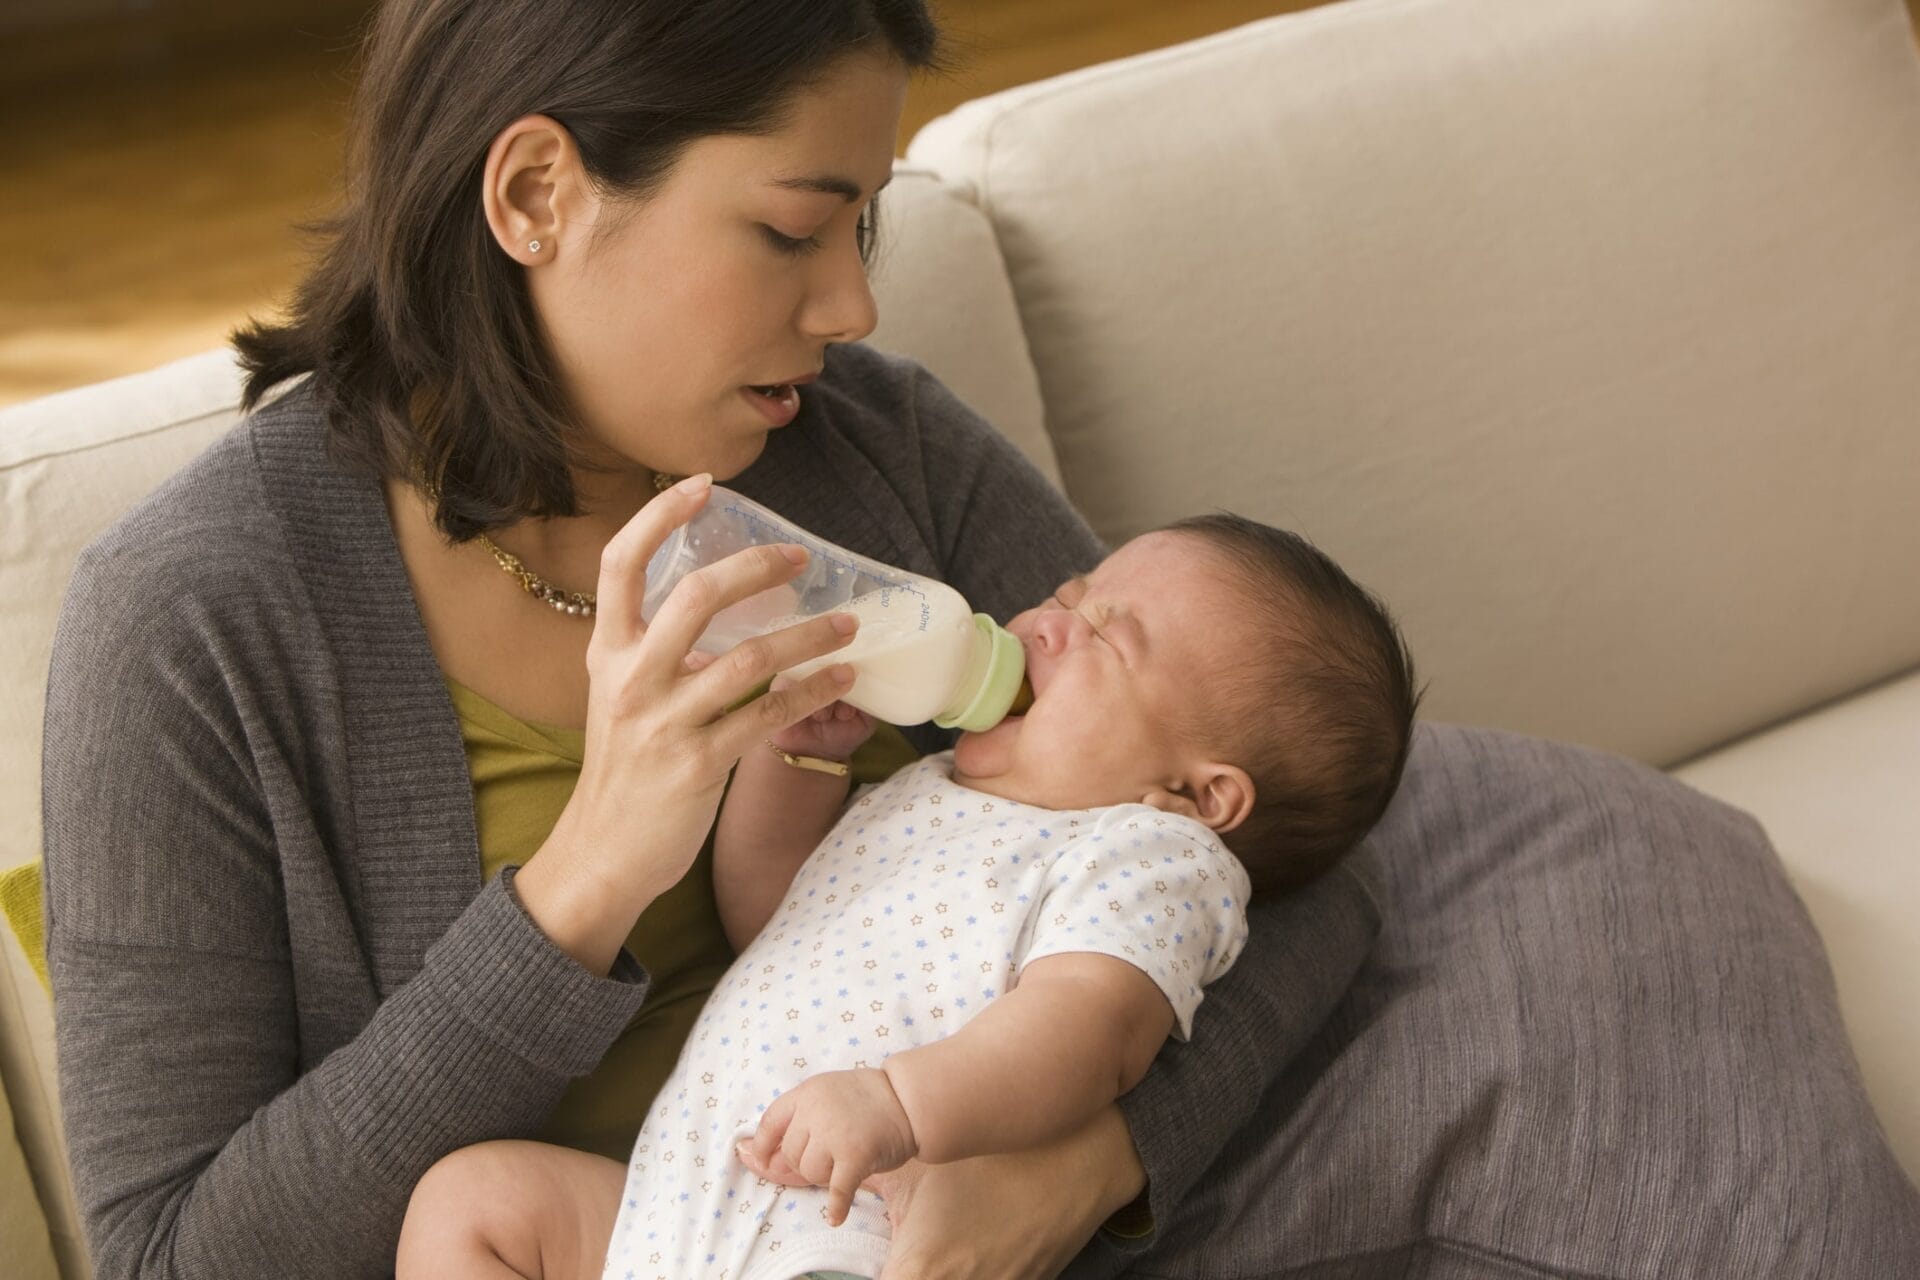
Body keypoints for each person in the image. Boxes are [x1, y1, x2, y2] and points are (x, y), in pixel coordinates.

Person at [40, 3, 1369, 1277]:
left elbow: (1283, 864)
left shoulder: (868, 449)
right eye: (794, 231)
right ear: (535, 197)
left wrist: (1088, 1165)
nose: (852, 307)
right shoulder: (191, 624)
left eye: (864, 226)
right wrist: (585, 882)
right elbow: (175, 1256)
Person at [393, 513, 1421, 1279]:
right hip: (686, 1199)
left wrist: (900, 1101)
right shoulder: (931, 788)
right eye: (1066, 595)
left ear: (1200, 793)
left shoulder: (1148, 856)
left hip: (849, 1229)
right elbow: (776, 918)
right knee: (474, 1202)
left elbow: (1091, 1031)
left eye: (1106, 636)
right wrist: (794, 766)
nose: (1047, 624)